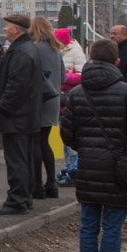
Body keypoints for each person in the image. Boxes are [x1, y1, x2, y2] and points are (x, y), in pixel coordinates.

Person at [60, 38, 127, 252]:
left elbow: (68, 134)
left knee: (88, 227)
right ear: (117, 61)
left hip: (88, 167)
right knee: (112, 229)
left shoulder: (76, 94)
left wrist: (87, 149)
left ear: (90, 59)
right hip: (118, 169)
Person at [0, 14, 42, 215]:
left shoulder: (21, 52)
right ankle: (25, 197)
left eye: (8, 26)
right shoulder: (25, 49)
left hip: (16, 117)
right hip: (24, 116)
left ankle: (17, 201)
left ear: (17, 29)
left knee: (17, 160)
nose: (5, 29)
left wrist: (2, 108)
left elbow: (16, 86)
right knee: (24, 159)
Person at [29, 17, 65, 199]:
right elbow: (63, 77)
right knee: (45, 142)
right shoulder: (56, 50)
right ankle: (52, 183)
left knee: (35, 143)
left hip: (38, 100)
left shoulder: (34, 48)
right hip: (53, 101)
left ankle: (37, 186)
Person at [56, 27, 85, 188]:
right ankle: (69, 168)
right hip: (63, 97)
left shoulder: (75, 52)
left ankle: (74, 170)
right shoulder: (62, 51)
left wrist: (63, 76)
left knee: (71, 138)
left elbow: (81, 76)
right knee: (65, 137)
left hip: (70, 97)